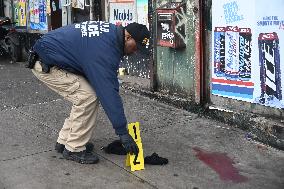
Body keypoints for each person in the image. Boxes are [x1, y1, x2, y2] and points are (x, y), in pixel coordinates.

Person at [27, 21, 150, 164]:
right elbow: (108, 92)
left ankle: (65, 141)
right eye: (136, 47)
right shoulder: (105, 49)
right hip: (46, 63)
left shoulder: (110, 34)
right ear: (128, 37)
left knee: (84, 95)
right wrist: (123, 133)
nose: (135, 52)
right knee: (87, 96)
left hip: (50, 56)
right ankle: (74, 148)